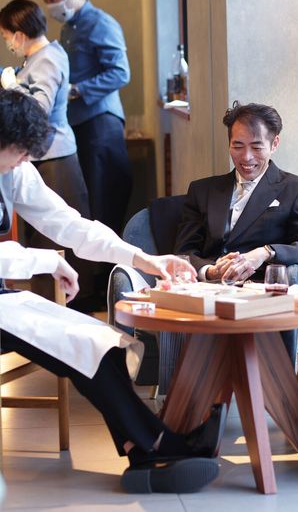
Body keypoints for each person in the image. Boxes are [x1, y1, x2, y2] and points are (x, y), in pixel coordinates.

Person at [0, 89, 225, 494]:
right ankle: (160, 446)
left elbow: (69, 224)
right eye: (19, 152)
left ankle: (144, 450)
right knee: (79, 342)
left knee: (103, 341)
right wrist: (47, 261)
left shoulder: (13, 169)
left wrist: (144, 260)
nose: (23, 162)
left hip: (4, 300)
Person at [173, 100, 298, 366]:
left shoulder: (296, 189)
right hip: (207, 295)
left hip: (259, 299)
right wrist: (210, 271)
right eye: (237, 146)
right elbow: (184, 252)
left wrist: (264, 253)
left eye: (256, 147)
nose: (246, 157)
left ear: (274, 144)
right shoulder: (203, 190)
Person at [0, 0, 94, 305]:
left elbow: (37, 112)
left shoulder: (48, 57)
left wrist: (11, 86)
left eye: (6, 36)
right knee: (41, 240)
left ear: (19, 33)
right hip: (41, 157)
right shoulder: (35, 58)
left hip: (55, 157)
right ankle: (49, 302)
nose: (7, 43)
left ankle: (69, 303)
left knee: (56, 236)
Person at [36, 0, 132, 240]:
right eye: (45, 0)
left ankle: (107, 267)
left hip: (100, 124)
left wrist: (76, 90)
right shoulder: (69, 29)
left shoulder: (100, 22)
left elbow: (120, 72)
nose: (49, 6)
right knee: (87, 205)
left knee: (103, 203)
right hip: (78, 124)